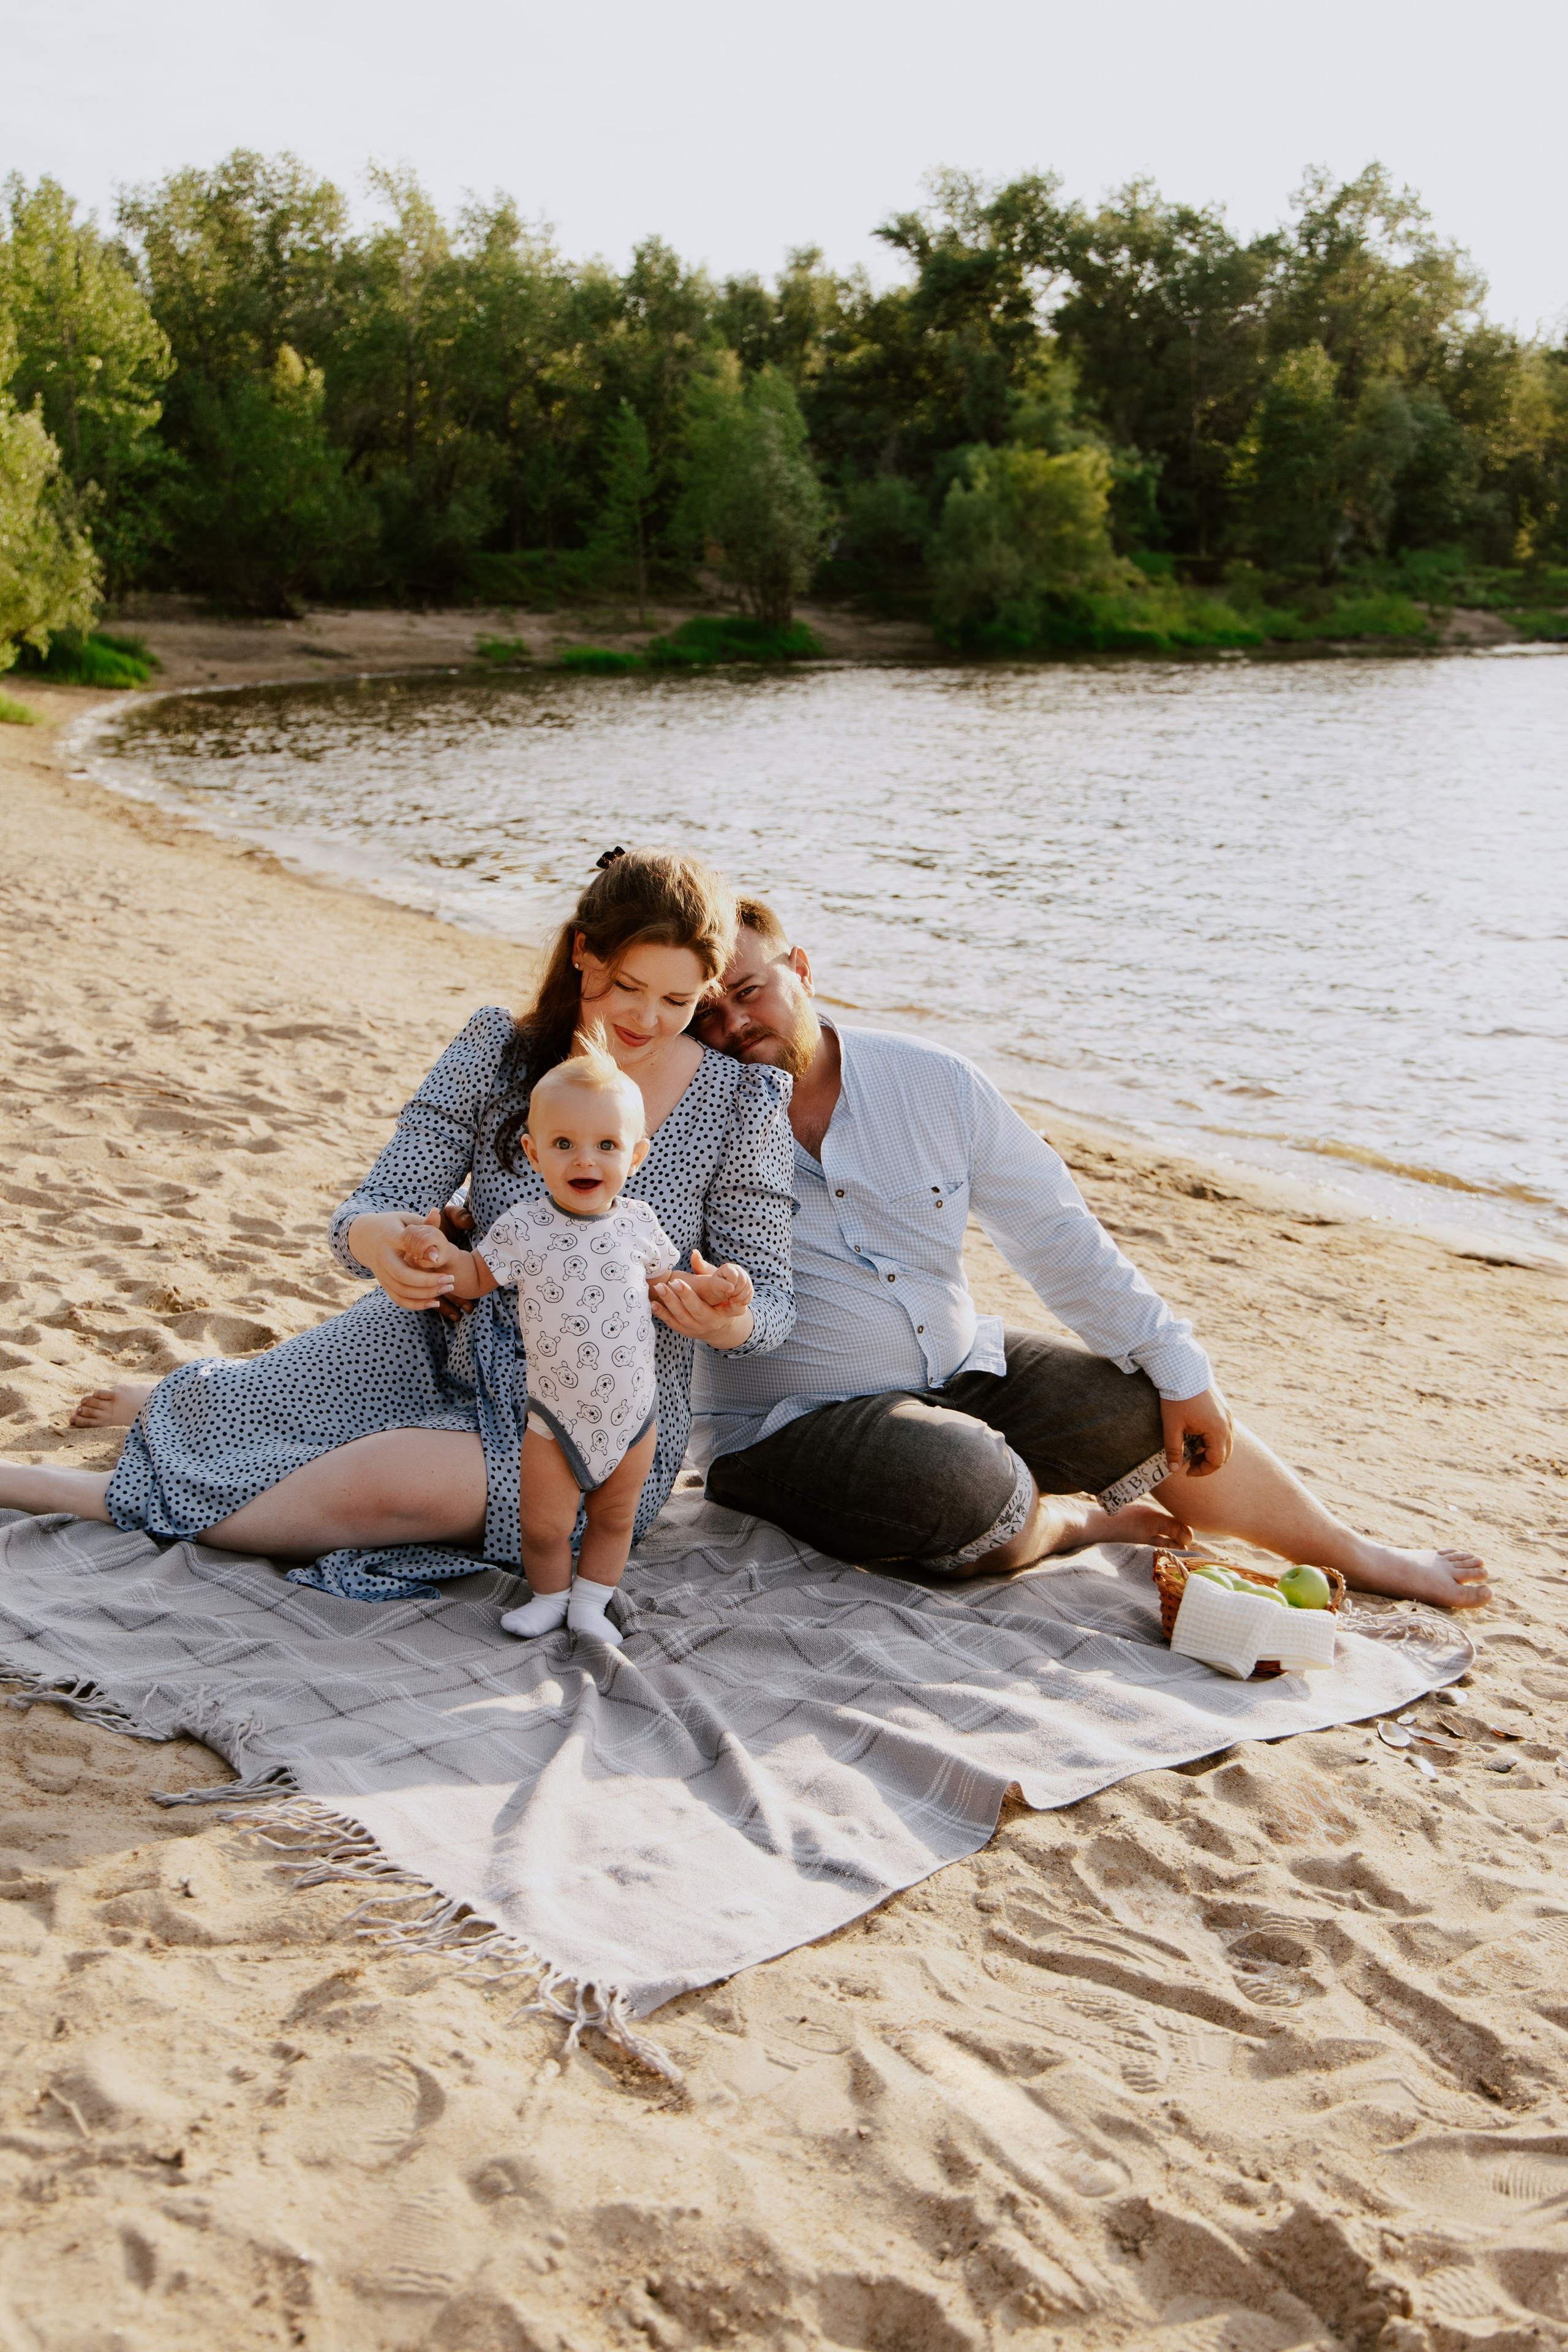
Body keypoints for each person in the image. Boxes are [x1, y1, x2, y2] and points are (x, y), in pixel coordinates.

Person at [1, 850, 795, 1603]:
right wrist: (382, 1246)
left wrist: (729, 1318)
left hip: (592, 1420)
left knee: (379, 1488)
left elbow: (772, 1309)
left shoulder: (738, 1103)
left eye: (679, 1000)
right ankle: (186, 1396)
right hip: (441, 1338)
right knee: (235, 1407)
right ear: (585, 953)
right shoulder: (500, 1051)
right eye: (629, 985)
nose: (648, 1019)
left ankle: (88, 1496)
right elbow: (371, 1208)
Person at [690, 897, 1490, 1608]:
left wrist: (1182, 1367)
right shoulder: (685, 1118)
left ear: (799, 968)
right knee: (966, 1481)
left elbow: (1055, 1233)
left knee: (1152, 1411)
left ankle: (1360, 1554)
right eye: (703, 1013)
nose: (731, 1027)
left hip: (961, 1366)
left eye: (748, 992)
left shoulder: (932, 1083)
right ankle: (1071, 1520)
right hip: (787, 1426)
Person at [391, 1033, 752, 1644]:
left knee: (614, 1519)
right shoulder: (524, 1227)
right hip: (552, 1415)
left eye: (606, 1145)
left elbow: (669, 1283)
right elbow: (477, 1277)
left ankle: (590, 1603)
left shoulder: (639, 1224)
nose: (585, 1160)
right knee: (543, 1525)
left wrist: (715, 1288)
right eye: (564, 1144)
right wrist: (440, 1255)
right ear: (534, 1153)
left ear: (634, 1156)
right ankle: (549, 1596)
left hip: (634, 1412)